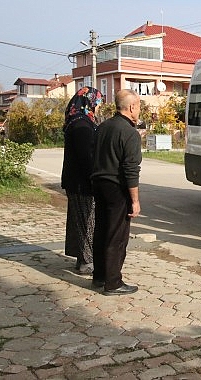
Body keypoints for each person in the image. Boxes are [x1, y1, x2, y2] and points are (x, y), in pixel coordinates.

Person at [91, 89, 142, 295]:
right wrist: (135, 200)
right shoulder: (129, 132)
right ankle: (113, 282)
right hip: (116, 187)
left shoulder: (102, 126)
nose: (139, 110)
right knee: (117, 235)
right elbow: (131, 169)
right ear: (131, 107)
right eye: (138, 106)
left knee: (101, 230)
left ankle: (100, 275)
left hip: (99, 183)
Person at [60, 86, 103, 275]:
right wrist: (95, 177)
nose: (98, 108)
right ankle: (87, 261)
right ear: (89, 102)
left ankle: (81, 259)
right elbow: (87, 157)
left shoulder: (77, 120)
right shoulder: (82, 125)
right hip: (81, 182)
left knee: (79, 220)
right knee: (87, 221)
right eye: (98, 103)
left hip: (75, 180)